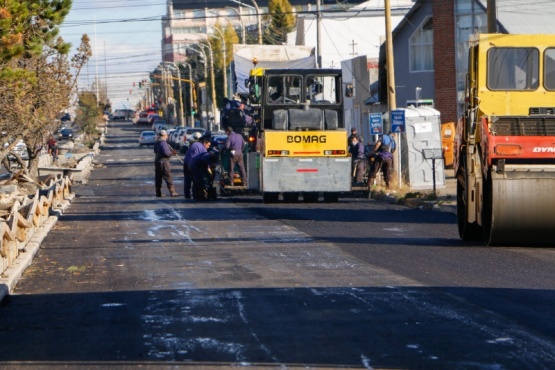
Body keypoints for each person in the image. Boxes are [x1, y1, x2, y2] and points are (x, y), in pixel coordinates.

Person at [189, 136, 218, 201]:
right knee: (199, 182)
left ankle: (197, 196)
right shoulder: (207, 156)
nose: (208, 147)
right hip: (195, 167)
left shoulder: (207, 154)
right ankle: (200, 197)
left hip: (191, 165)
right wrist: (211, 167)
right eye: (207, 145)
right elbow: (207, 164)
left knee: (196, 182)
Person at [183, 132, 209, 199]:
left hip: (186, 163)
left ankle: (187, 194)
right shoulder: (203, 148)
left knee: (187, 179)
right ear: (204, 142)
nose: (208, 147)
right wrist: (208, 168)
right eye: (208, 145)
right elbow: (205, 159)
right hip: (192, 165)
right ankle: (197, 195)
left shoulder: (193, 144)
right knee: (196, 180)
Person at [153, 130, 178, 197]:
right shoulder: (163, 143)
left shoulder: (157, 142)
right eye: (167, 135)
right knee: (168, 176)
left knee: (158, 177)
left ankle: (158, 193)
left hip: (157, 161)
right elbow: (166, 153)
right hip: (164, 162)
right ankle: (172, 192)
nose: (167, 136)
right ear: (164, 135)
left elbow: (155, 150)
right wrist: (172, 153)